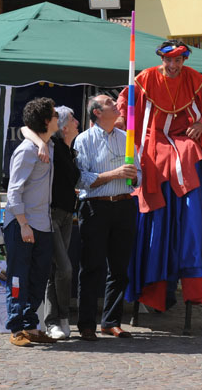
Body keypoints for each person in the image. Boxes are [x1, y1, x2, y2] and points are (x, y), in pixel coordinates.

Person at [116, 40, 202, 312]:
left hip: (183, 139)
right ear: (161, 59)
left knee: (190, 156)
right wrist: (122, 125)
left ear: (184, 60)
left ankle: (190, 269)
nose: (173, 66)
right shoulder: (145, 78)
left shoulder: (196, 80)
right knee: (154, 164)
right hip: (153, 139)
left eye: (178, 60)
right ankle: (154, 281)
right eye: (169, 60)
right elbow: (124, 104)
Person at [73, 94, 140, 341]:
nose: (117, 104)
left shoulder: (127, 138)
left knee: (120, 268)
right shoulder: (84, 140)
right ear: (98, 112)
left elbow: (138, 176)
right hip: (95, 208)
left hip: (124, 205)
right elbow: (81, 179)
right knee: (92, 267)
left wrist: (133, 176)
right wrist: (114, 173)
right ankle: (86, 323)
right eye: (110, 102)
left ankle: (111, 320)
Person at [3, 97, 60, 347]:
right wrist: (23, 223)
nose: (58, 118)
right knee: (18, 276)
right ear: (47, 121)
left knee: (38, 276)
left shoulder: (48, 146)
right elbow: (13, 191)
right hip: (23, 224)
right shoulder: (27, 150)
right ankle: (16, 328)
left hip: (43, 224)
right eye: (55, 115)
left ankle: (30, 324)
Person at [22, 105, 81, 340]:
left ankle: (55, 320)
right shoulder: (51, 146)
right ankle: (57, 318)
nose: (77, 122)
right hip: (51, 215)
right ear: (63, 126)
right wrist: (41, 143)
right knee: (64, 268)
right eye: (73, 119)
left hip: (67, 215)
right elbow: (24, 129)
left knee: (57, 270)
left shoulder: (69, 149)